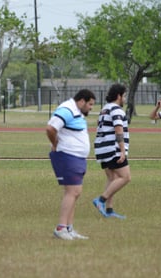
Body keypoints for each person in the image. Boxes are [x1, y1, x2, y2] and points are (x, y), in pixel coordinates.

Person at [46, 89, 96, 240]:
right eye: (90, 104)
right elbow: (50, 128)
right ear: (81, 101)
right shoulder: (67, 109)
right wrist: (55, 143)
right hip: (67, 156)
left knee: (76, 192)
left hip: (76, 157)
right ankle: (61, 228)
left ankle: (69, 228)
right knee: (72, 192)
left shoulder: (77, 112)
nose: (91, 108)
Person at [92, 83, 130, 219]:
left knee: (112, 178)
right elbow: (118, 129)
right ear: (119, 96)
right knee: (125, 177)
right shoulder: (117, 109)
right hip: (112, 148)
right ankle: (100, 200)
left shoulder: (104, 109)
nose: (125, 99)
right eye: (124, 95)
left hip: (101, 148)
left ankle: (109, 210)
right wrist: (122, 151)